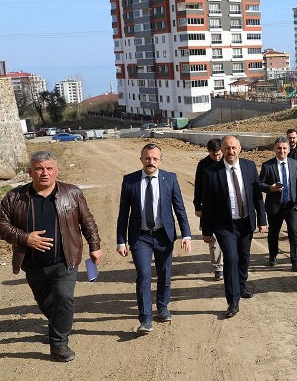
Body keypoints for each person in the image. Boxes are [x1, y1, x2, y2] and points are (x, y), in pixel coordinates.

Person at [0, 151, 102, 362]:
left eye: (49, 168)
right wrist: (25, 238)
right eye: (39, 169)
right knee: (46, 303)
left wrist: (95, 246)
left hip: (65, 260)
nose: (44, 173)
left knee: (63, 297)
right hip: (33, 263)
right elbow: (1, 224)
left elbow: (87, 221)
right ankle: (58, 324)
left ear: (57, 171)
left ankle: (59, 344)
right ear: (30, 172)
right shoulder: (14, 197)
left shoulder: (72, 193)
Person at [116, 143, 192, 335]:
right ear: (141, 159)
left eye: (155, 158)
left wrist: (186, 235)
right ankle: (145, 319)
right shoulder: (130, 180)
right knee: (143, 275)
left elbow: (180, 209)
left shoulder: (170, 179)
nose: (151, 162)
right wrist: (121, 240)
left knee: (164, 274)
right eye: (147, 158)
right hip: (140, 237)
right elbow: (123, 213)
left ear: (160, 160)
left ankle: (162, 307)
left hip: (163, 236)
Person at [201, 135, 266, 318]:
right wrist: (206, 231)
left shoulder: (249, 166)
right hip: (224, 225)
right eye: (227, 148)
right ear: (222, 150)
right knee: (231, 258)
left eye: (233, 148)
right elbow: (208, 204)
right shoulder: (212, 172)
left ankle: (242, 286)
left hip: (245, 221)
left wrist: (262, 220)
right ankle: (233, 301)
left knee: (244, 258)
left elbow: (257, 196)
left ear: (240, 149)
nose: (230, 152)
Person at [259, 137, 297, 272]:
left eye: (284, 148)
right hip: (275, 206)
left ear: (289, 150)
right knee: (274, 232)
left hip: (291, 205)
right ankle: (273, 255)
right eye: (279, 148)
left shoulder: (295, 164)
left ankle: (296, 261)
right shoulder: (267, 165)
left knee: (293, 232)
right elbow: (260, 184)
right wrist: (270, 188)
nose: (282, 151)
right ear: (274, 149)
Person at [193, 138, 224, 280]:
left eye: (219, 155)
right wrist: (197, 206)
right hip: (210, 207)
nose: (217, 158)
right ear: (208, 152)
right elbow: (198, 187)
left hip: (228, 207)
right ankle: (218, 267)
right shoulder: (203, 165)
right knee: (214, 238)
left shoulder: (228, 161)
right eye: (213, 155)